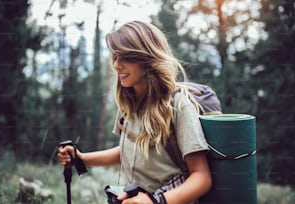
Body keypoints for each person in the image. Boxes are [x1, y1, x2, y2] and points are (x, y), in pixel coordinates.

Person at [58, 21, 212, 204]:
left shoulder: (177, 105)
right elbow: (128, 151)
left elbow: (201, 177)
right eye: (115, 57)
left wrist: (155, 202)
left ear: (147, 59)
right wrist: (82, 158)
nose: (116, 65)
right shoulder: (127, 104)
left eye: (125, 57)